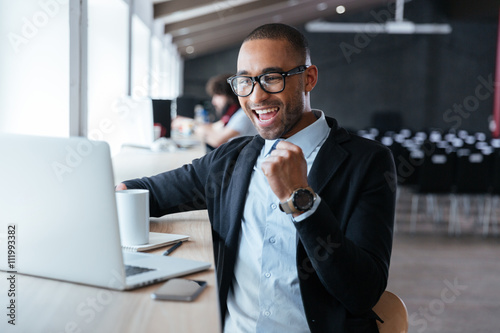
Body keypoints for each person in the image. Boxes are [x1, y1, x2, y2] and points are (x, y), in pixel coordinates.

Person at [116, 23, 396, 333]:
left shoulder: (367, 162)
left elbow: (362, 293)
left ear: (309, 78)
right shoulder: (231, 159)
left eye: (272, 78)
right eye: (245, 82)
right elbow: (149, 192)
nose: (256, 95)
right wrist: (104, 195)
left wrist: (301, 199)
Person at [195, 73, 257, 149]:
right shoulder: (232, 113)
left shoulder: (243, 115)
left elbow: (217, 140)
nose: (213, 102)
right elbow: (214, 127)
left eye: (218, 95)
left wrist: (199, 130)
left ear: (230, 96)